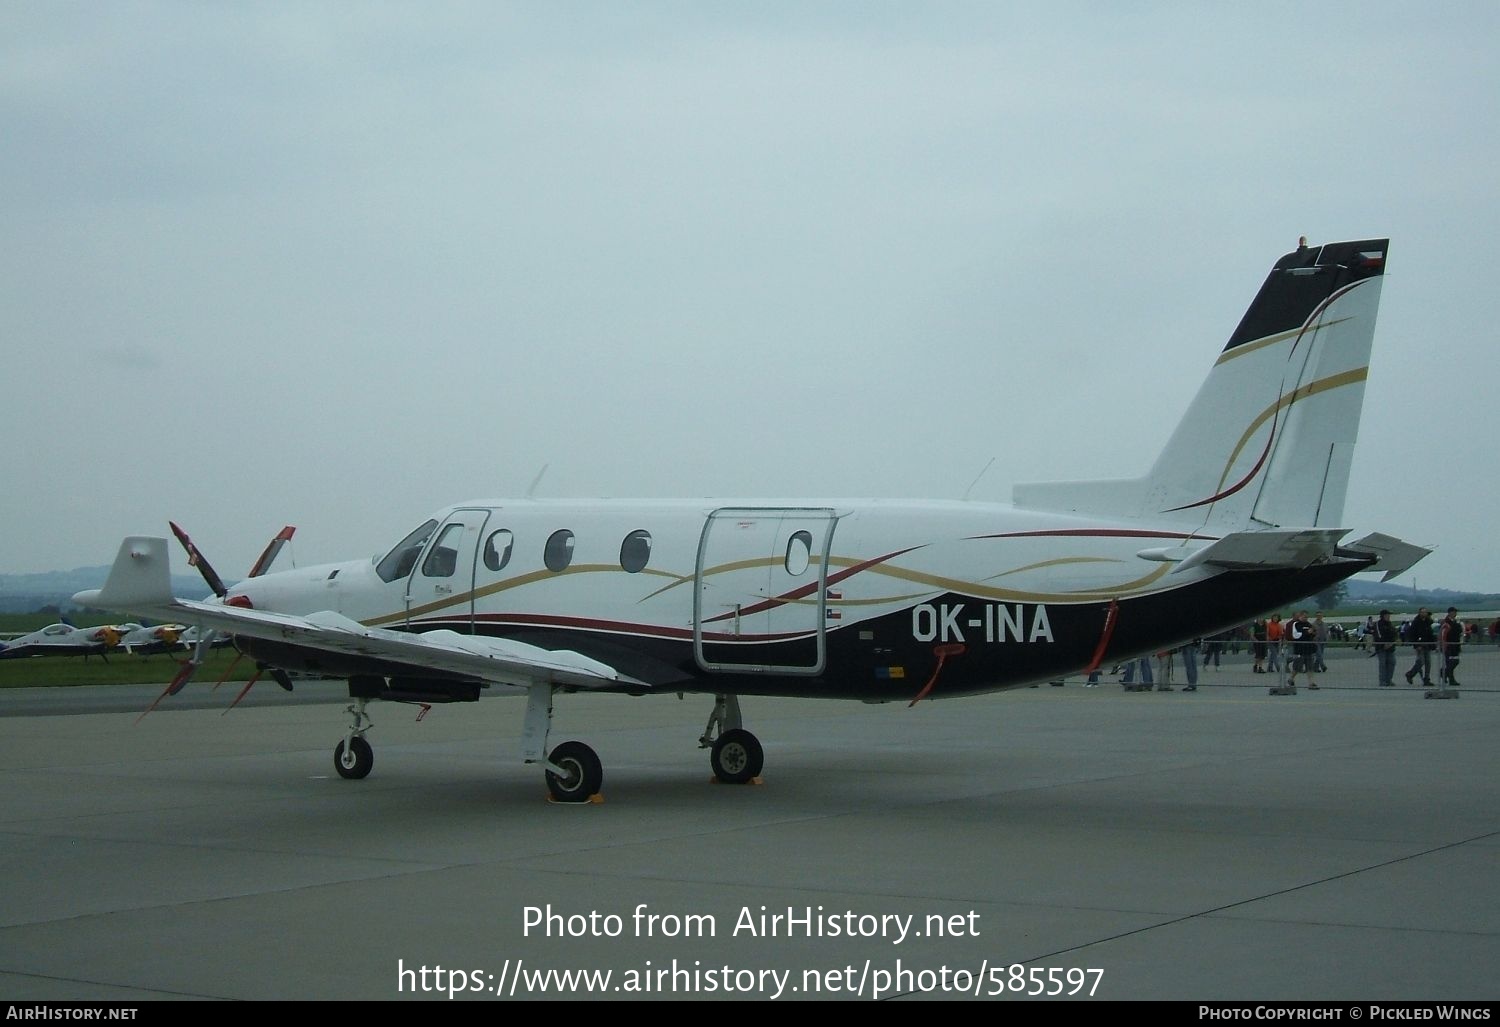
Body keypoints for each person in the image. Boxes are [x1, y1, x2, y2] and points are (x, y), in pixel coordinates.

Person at [1286, 610, 1318, 689]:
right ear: (1300, 616)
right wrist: (1307, 632)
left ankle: (1311, 683)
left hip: (1309, 649)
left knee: (1309, 667)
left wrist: (1313, 633)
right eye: (1304, 617)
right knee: (1297, 667)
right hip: (1300, 649)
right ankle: (1291, 678)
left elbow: (1313, 633)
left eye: (1307, 617)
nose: (1306, 618)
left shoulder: (1308, 624)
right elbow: (1296, 635)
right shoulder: (1296, 624)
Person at [1404, 608, 1435, 686]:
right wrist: (1416, 645)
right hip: (1420, 645)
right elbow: (1412, 634)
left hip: (1427, 645)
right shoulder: (1416, 622)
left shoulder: (1428, 622)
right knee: (1421, 662)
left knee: (1428, 663)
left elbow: (1430, 634)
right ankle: (1410, 674)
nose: (1424, 614)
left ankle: (1427, 679)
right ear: (1419, 613)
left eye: (1425, 612)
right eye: (1422, 612)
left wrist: (1433, 644)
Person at [1372, 609, 1398, 687]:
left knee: (1392, 663)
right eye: (1387, 615)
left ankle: (1388, 680)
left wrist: (1392, 642)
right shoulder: (1378, 624)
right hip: (1381, 648)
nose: (1389, 616)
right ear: (1382, 616)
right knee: (1383, 664)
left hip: (1391, 648)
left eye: (1389, 615)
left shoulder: (1390, 624)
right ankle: (1382, 681)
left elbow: (1394, 633)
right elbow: (1378, 635)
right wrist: (1384, 644)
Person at [1439, 607, 1464, 686]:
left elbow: (1459, 631)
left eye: (1455, 612)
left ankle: (1445, 673)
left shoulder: (1456, 622)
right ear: (1449, 613)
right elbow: (1443, 635)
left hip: (1455, 645)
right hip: (1448, 646)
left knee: (1455, 661)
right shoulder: (1446, 623)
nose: (1455, 613)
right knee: (1450, 662)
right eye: (1453, 612)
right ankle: (1450, 678)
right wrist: (1443, 645)